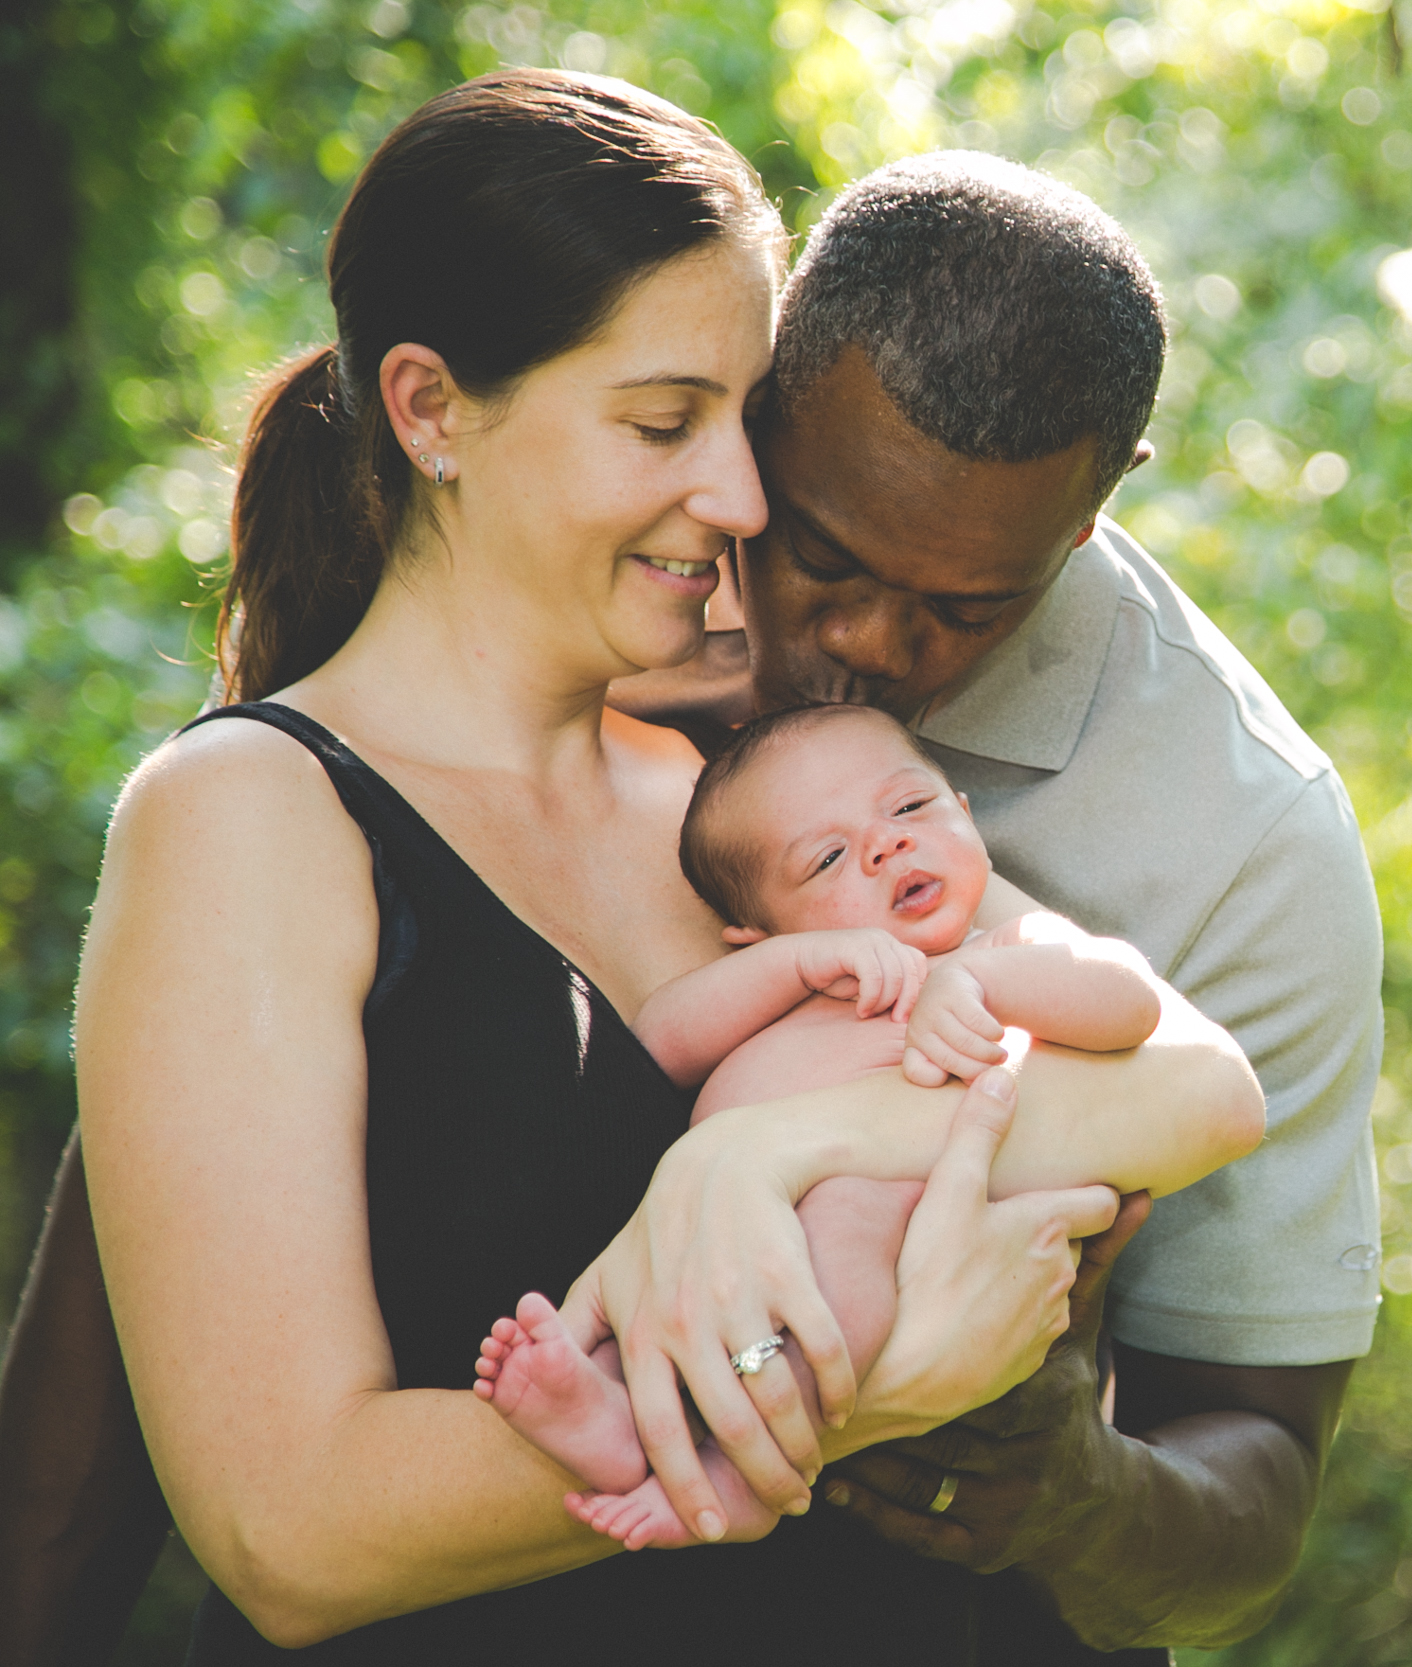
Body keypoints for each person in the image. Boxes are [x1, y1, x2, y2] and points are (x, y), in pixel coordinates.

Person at [51, 69, 1260, 1662]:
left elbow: (1196, 1084)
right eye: (663, 421)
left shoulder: (742, 796)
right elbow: (291, 1525)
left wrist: (759, 1158)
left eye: (742, 420)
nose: (746, 496)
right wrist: (843, 1398)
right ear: (431, 411)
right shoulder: (249, 814)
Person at [615, 151, 1388, 1656]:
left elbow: (1258, 1472)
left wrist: (1071, 1490)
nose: (864, 641)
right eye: (821, 553)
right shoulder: (599, 555)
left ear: (1091, 522)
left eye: (967, 606)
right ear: (761, 404)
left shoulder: (1246, 834)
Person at [475, 702, 1264, 1553]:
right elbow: (659, 1043)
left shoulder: (1011, 942)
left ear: (966, 814)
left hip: (872, 1197)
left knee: (837, 1299)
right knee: (672, 1307)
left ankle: (744, 1480)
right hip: (718, 1223)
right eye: (826, 857)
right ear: (757, 927)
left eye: (910, 808)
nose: (886, 844)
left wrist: (979, 983)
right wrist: (798, 963)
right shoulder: (792, 976)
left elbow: (1129, 1002)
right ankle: (605, 1402)